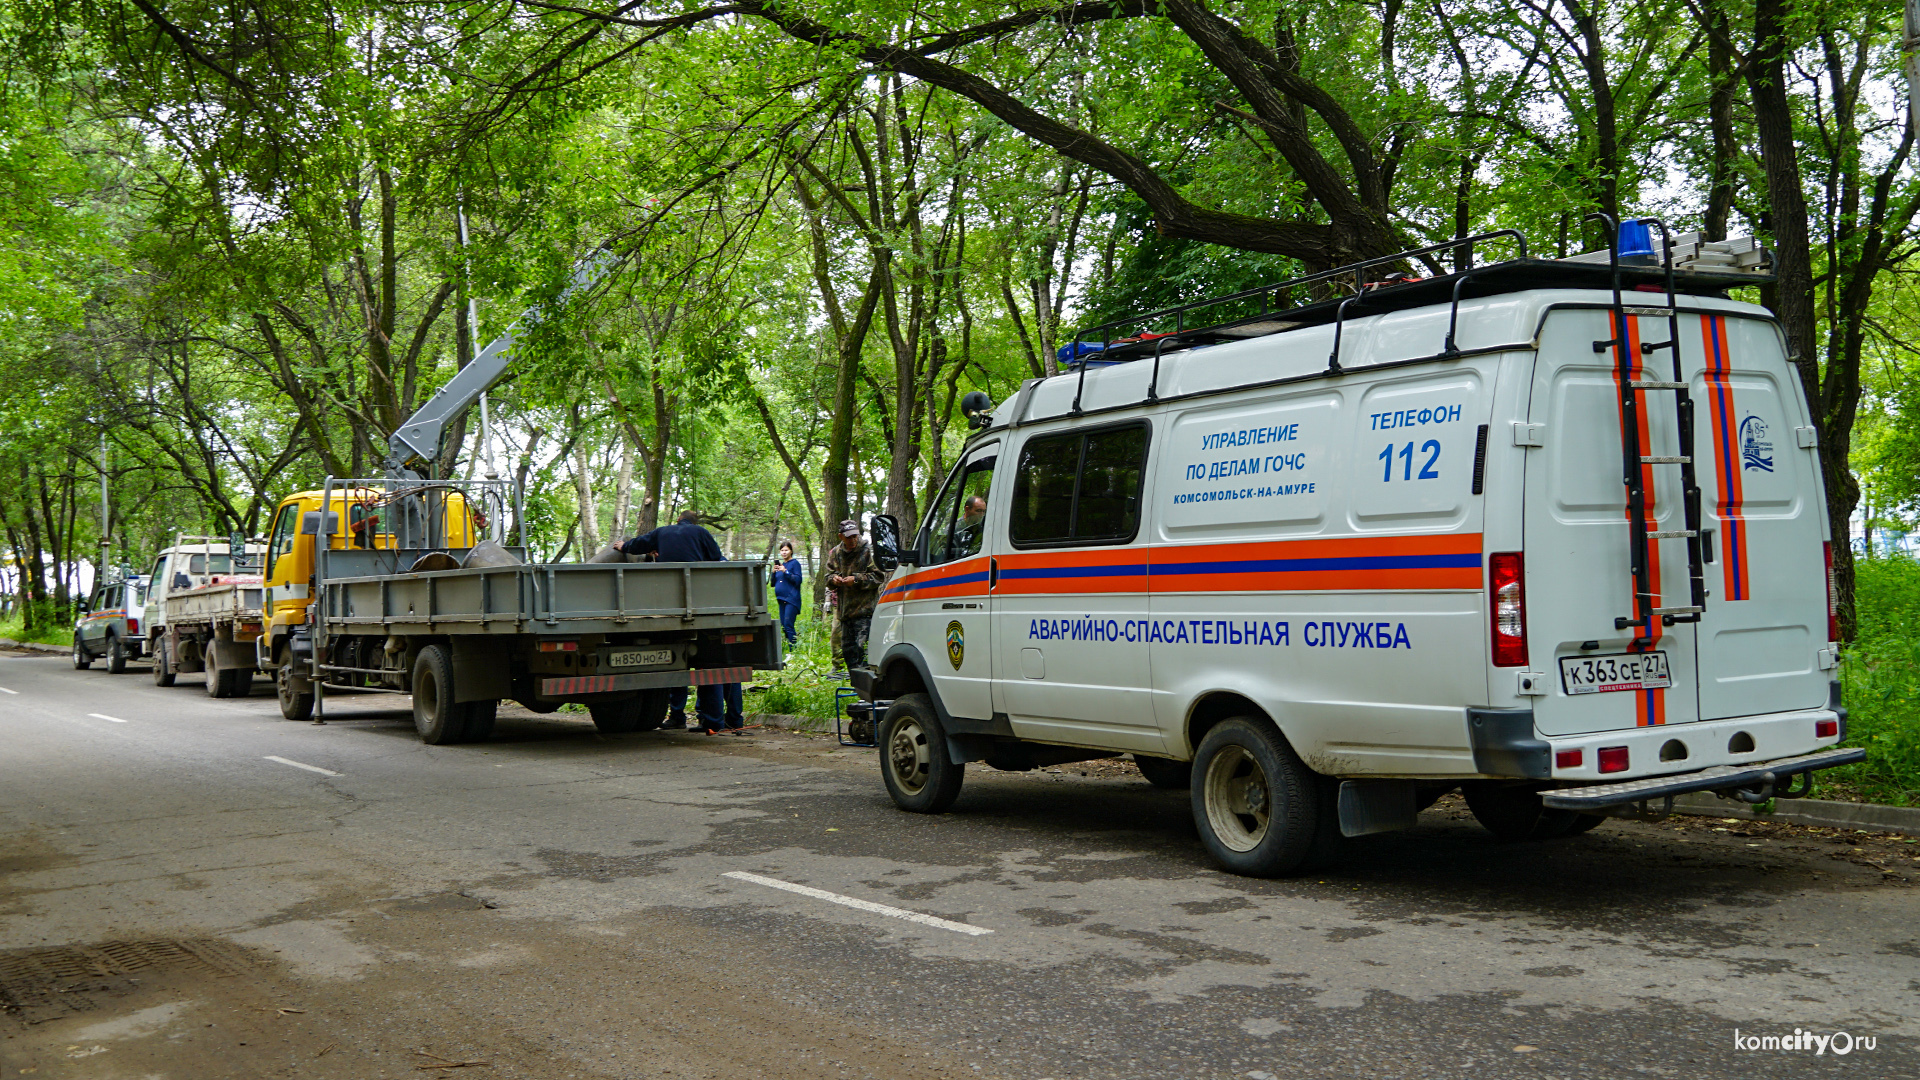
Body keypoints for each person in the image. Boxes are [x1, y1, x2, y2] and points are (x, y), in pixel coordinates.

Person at [620, 510, 744, 735]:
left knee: (677, 662)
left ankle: (682, 716)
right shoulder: (701, 532)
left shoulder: (662, 532)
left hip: (670, 606)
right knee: (714, 667)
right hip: (702, 605)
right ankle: (725, 720)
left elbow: (637, 544)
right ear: (694, 523)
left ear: (678, 520)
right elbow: (716, 558)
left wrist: (623, 546)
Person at [824, 518, 888, 671]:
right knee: (848, 651)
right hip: (845, 612)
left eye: (855, 536)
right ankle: (854, 680)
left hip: (864, 611)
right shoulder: (836, 553)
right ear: (841, 537)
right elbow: (827, 577)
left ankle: (866, 685)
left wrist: (857, 579)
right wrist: (834, 579)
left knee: (863, 652)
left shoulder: (867, 551)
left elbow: (879, 576)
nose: (853, 540)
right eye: (848, 537)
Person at [771, 541, 803, 647]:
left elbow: (798, 580)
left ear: (791, 551)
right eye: (782, 550)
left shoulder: (794, 564)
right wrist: (773, 572)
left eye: (786, 550)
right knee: (784, 625)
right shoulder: (781, 565)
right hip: (781, 599)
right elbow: (773, 583)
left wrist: (786, 572)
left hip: (791, 599)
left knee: (788, 624)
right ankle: (791, 645)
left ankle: (793, 649)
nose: (784, 552)